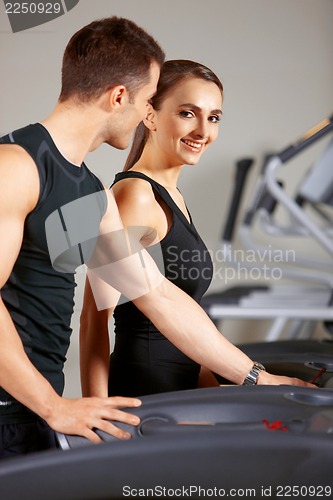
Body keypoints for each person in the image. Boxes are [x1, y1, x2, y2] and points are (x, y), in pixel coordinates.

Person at [80, 60, 315, 399]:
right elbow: (94, 317)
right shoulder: (136, 196)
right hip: (147, 389)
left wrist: (212, 385)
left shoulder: (170, 194)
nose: (203, 130)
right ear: (149, 115)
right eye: (188, 113)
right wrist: (98, 416)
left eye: (214, 117)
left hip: (184, 386)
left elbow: (186, 319)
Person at [0, 16, 165, 458]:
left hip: (34, 414)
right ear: (118, 97)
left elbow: (154, 295)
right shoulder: (16, 165)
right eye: (148, 101)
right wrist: (53, 405)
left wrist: (256, 376)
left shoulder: (92, 193)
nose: (149, 117)